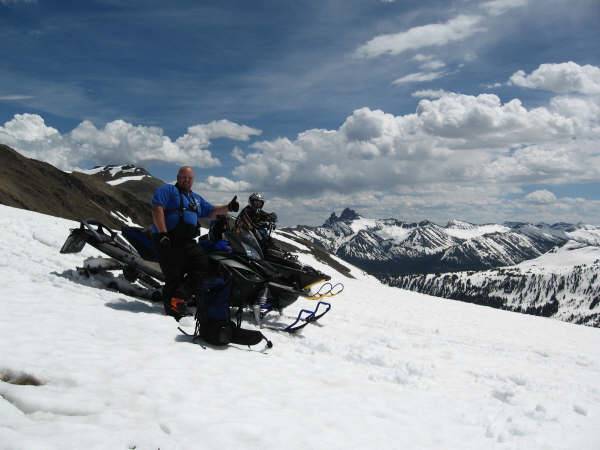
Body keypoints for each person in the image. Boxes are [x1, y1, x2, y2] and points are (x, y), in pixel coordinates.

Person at [151, 166, 239, 320]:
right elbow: (157, 209)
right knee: (174, 276)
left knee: (204, 265)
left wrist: (228, 207)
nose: (186, 180)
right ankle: (172, 310)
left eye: (189, 178)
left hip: (188, 241)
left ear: (193, 180)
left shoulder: (195, 198)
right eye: (184, 177)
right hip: (169, 240)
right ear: (178, 177)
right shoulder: (168, 190)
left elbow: (212, 211)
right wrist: (162, 234)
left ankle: (180, 296)